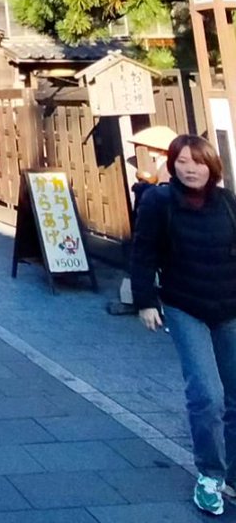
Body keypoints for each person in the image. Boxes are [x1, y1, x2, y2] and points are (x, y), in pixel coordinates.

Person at [131, 134, 236, 517]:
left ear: (212, 166)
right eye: (182, 161)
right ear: (172, 165)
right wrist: (145, 301)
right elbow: (143, 251)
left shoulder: (227, 203)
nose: (191, 169)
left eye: (198, 162)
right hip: (184, 305)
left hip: (230, 308)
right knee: (207, 394)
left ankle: (233, 474)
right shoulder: (159, 201)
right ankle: (210, 474)